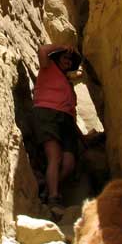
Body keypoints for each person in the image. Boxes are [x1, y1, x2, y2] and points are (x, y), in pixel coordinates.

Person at [32, 43, 82, 216]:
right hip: (47, 113)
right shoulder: (48, 67)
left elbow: (72, 111)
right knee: (55, 156)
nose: (68, 62)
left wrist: (82, 136)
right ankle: (53, 197)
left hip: (66, 120)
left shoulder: (69, 87)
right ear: (58, 58)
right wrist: (63, 46)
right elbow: (42, 50)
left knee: (69, 163)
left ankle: (47, 187)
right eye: (65, 58)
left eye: (70, 60)